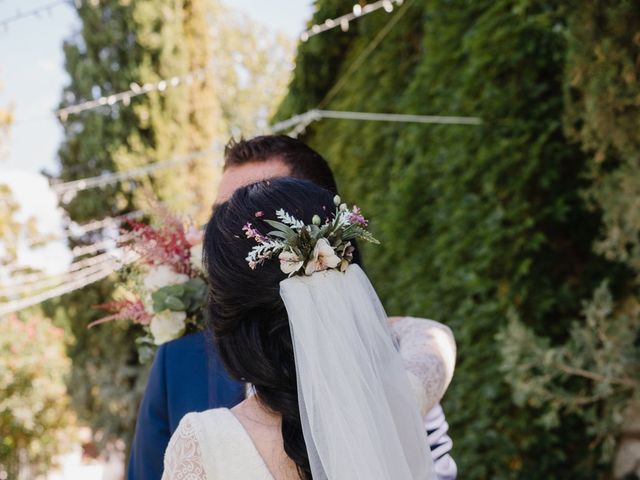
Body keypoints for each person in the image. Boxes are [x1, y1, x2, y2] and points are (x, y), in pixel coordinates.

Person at [128, 136, 457, 479]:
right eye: (220, 217)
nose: (230, 235)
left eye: (255, 216)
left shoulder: (388, 360)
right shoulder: (179, 364)